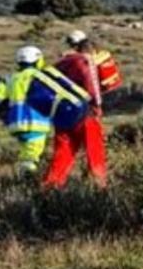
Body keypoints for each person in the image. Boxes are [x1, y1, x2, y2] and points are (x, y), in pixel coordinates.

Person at [0, 46, 91, 174]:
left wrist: (6, 110)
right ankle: (26, 179)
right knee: (32, 155)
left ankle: (22, 174)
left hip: (15, 123)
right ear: (37, 60)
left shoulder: (9, 79)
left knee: (26, 150)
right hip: (37, 122)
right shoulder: (42, 76)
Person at [47, 32, 109, 189]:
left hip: (62, 115)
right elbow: (91, 84)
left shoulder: (60, 63)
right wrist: (97, 105)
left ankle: (50, 187)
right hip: (85, 113)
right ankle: (99, 187)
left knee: (62, 154)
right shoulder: (84, 61)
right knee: (94, 152)